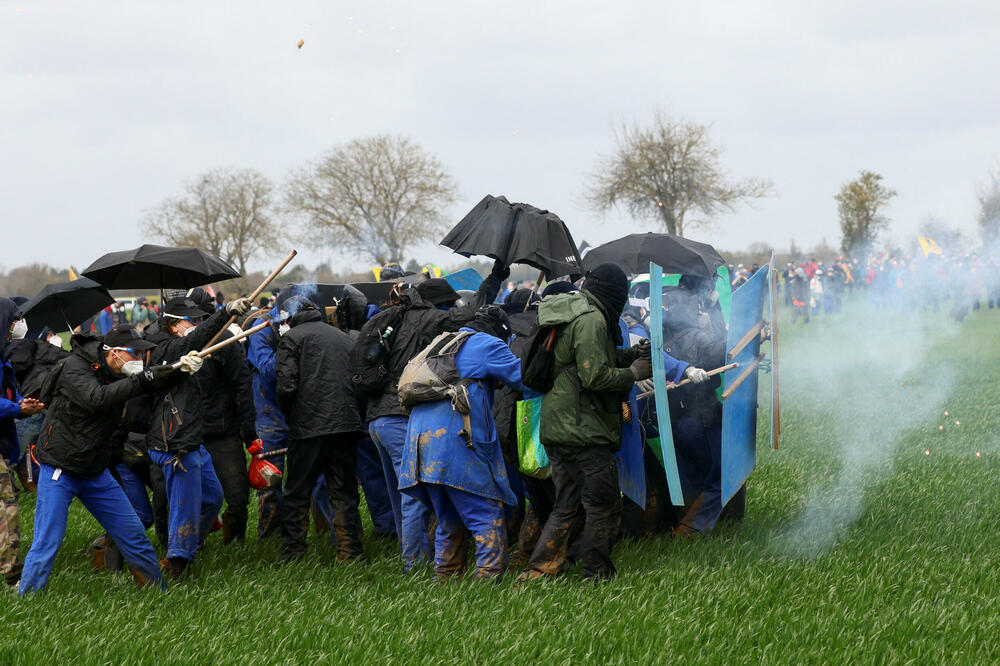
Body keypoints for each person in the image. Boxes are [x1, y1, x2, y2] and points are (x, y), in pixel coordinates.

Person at [17, 323, 195, 594]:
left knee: (134, 535)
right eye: (133, 353)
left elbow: (153, 379)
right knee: (46, 543)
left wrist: (180, 370)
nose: (138, 359)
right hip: (60, 469)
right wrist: (141, 379)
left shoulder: (120, 371)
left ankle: (157, 592)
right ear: (113, 354)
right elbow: (96, 399)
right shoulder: (75, 367)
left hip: (95, 471)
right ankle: (28, 599)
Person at [358, 261, 508, 570]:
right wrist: (495, 278)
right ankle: (414, 566)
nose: (453, 308)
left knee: (401, 494)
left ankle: (410, 555)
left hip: (374, 418)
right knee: (415, 498)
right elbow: (474, 312)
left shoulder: (387, 317)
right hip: (400, 416)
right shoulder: (431, 319)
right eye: (450, 304)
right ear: (440, 303)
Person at [518, 264, 653, 583]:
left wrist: (631, 353)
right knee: (604, 506)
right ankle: (596, 575)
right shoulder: (592, 319)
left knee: (566, 506)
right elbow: (594, 377)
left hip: (559, 425)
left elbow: (578, 363)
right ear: (615, 292)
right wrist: (633, 373)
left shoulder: (569, 310)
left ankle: (539, 572)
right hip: (584, 428)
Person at [399, 305, 524, 581]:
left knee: (448, 518)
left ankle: (445, 578)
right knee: (486, 512)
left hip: (420, 446)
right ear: (502, 333)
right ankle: (488, 581)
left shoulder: (442, 341)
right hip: (454, 443)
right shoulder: (488, 343)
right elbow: (524, 377)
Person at [143, 295, 251, 579]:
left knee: (214, 497)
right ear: (173, 325)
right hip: (174, 440)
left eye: (197, 319)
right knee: (176, 501)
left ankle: (189, 542)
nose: (195, 325)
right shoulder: (159, 346)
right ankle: (177, 561)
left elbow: (240, 381)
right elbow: (193, 341)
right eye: (190, 321)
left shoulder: (202, 344)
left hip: (202, 435)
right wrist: (226, 312)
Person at [276, 298, 365, 563]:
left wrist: (291, 417)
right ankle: (350, 552)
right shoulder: (345, 337)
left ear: (290, 317)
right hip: (347, 425)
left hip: (308, 427)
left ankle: (293, 553)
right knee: (344, 491)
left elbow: (285, 387)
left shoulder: (291, 338)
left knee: (296, 492)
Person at [188, 288, 256, 544]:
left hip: (223, 432)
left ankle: (234, 542)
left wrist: (248, 432)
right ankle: (193, 543)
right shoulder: (176, 343)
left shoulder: (225, 339)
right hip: (189, 434)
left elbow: (242, 383)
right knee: (191, 496)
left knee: (237, 495)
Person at [1, 301, 44, 587]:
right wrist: (18, 410)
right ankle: (12, 573)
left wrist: (20, 402)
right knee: (7, 507)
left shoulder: (4, 357)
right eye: (16, 319)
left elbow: (7, 394)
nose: (20, 325)